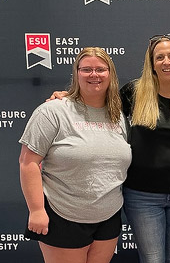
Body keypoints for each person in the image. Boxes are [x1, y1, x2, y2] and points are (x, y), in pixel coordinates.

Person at [48, 34, 170, 263]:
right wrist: (68, 98)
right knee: (152, 260)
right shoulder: (133, 92)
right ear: (151, 63)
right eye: (159, 57)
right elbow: (97, 106)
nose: (166, 62)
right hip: (142, 195)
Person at [19, 47, 131, 263]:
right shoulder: (53, 111)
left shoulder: (118, 116)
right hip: (62, 215)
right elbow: (28, 163)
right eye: (86, 69)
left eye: (100, 69)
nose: (94, 75)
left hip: (108, 218)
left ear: (110, 74)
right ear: (76, 73)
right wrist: (36, 210)